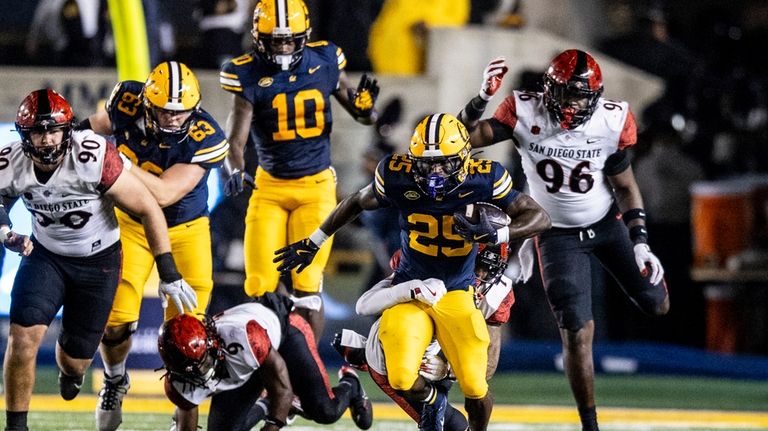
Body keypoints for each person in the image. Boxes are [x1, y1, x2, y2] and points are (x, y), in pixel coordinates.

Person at [274, 112, 551, 431]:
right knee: (402, 376)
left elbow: (540, 217)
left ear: (463, 157)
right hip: (411, 289)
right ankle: (429, 399)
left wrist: (499, 234)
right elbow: (355, 202)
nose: (434, 172)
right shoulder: (397, 174)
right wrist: (314, 241)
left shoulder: (485, 178)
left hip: (457, 293)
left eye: (443, 163)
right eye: (426, 163)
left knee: (476, 384)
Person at [458, 49, 671, 431]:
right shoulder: (524, 110)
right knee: (576, 332)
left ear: (596, 95)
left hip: (606, 224)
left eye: (581, 96)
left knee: (658, 305)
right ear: (548, 90)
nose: (573, 105)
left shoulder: (612, 120)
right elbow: (463, 141)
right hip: (554, 233)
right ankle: (590, 425)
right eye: (566, 95)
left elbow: (625, 186)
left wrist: (640, 240)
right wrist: (481, 99)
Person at [1, 89, 189, 431]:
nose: (46, 140)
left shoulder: (93, 156)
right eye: (38, 132)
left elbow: (148, 207)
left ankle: (72, 368)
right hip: (46, 257)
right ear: (24, 135)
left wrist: (168, 269)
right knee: (23, 336)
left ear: (67, 131)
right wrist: (5, 232)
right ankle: (16, 426)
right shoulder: (10, 160)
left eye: (53, 130)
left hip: (98, 262)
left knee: (75, 365)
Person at [219, 0, 380, 342]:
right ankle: (271, 376)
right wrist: (232, 166)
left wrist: (366, 108)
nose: (284, 47)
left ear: (304, 36)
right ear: (259, 37)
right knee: (260, 287)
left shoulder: (324, 60)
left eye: (290, 40)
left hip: (316, 187)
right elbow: (236, 138)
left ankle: (309, 376)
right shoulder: (245, 72)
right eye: (276, 40)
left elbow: (362, 114)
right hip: (270, 188)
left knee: (306, 290)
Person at [82, 60, 228, 431]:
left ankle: (183, 420)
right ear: (147, 103)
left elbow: (162, 194)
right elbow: (90, 129)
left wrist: (112, 161)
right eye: (164, 110)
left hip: (186, 229)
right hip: (130, 223)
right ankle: (114, 380)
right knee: (115, 319)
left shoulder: (206, 135)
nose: (173, 119)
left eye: (180, 112)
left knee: (189, 336)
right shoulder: (127, 101)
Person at [333, 242, 517, 431]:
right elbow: (364, 305)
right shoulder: (426, 265)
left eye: (488, 269)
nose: (481, 275)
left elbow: (488, 363)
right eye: (476, 266)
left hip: (440, 353)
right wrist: (410, 290)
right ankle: (363, 358)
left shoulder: (498, 292)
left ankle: (358, 355)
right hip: (395, 352)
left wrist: (449, 370)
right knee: (452, 425)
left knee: (474, 391)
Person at [158, 293, 373, 431]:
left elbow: (283, 389)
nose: (202, 371)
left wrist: (272, 425)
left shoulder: (243, 337)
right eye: (193, 369)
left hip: (283, 335)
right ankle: (267, 402)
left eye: (203, 362)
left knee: (325, 411)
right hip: (248, 362)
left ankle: (351, 384)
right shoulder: (178, 383)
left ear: (211, 341)